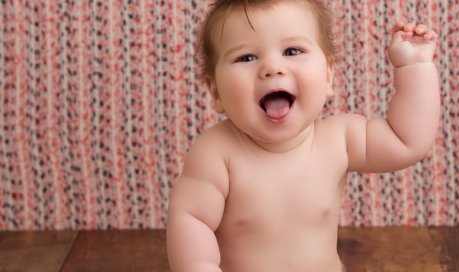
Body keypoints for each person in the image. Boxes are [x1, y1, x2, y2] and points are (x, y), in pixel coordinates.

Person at [166, 0, 440, 271]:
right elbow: (192, 219)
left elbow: (406, 141)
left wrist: (414, 68)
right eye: (247, 57)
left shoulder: (339, 140)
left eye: (292, 50)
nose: (273, 68)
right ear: (215, 91)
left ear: (329, 75)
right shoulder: (216, 153)